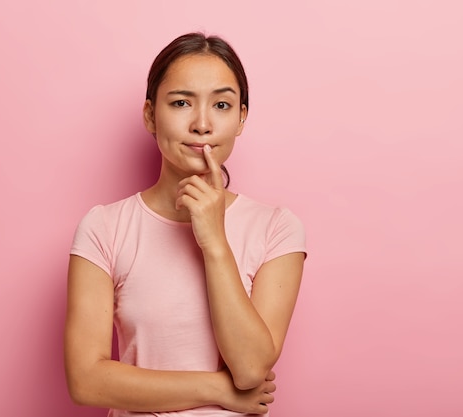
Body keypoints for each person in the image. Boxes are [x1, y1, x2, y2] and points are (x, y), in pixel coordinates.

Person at [64, 32, 306, 416]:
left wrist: (214, 243)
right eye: (181, 103)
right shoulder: (104, 228)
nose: (202, 124)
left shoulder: (276, 228)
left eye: (222, 105)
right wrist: (218, 390)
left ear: (241, 118)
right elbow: (86, 381)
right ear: (150, 115)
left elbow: (250, 369)